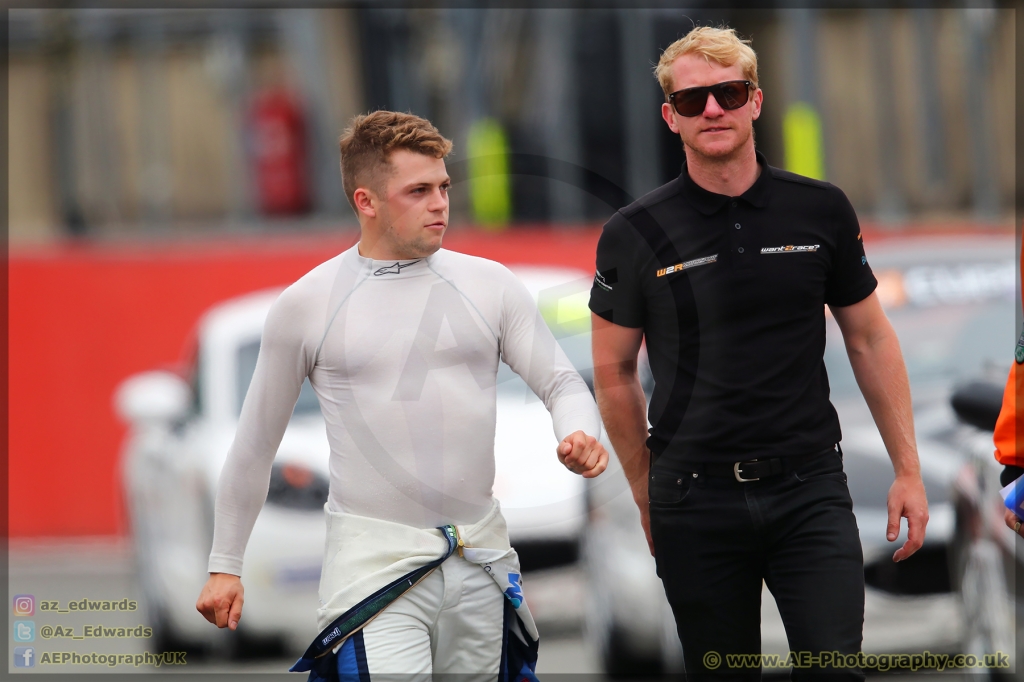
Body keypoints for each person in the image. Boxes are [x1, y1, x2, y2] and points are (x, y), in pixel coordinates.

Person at [195, 110, 608, 678]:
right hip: (374, 570)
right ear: (366, 201)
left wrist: (577, 432)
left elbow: (563, 382)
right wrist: (225, 565)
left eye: (443, 187)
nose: (440, 203)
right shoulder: (306, 304)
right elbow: (253, 446)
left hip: (481, 560)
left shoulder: (492, 285)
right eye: (418, 191)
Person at [589, 26, 928, 680]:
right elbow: (614, 372)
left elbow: (870, 337)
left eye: (728, 93)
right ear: (670, 118)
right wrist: (644, 494)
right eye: (693, 101)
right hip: (694, 498)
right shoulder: (632, 234)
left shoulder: (821, 209)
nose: (712, 109)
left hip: (811, 489)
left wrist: (907, 470)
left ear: (755, 102)